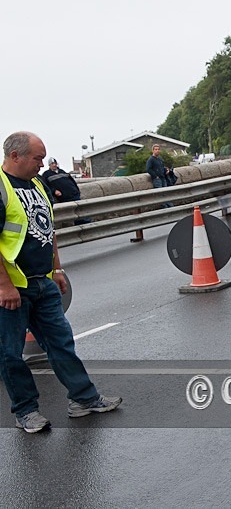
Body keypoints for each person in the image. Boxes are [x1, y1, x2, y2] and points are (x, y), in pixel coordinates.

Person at [0, 131, 121, 433]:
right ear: (15, 156)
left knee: (62, 343)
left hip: (43, 283)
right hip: (14, 287)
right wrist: (4, 286)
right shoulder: (1, 188)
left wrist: (57, 269)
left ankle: (83, 399)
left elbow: (48, 229)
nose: (42, 164)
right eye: (37, 158)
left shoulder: (38, 184)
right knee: (12, 354)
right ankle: (26, 411)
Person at [42, 158, 91, 225]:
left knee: (80, 209)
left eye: (55, 163)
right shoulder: (46, 174)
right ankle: (79, 223)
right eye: (52, 164)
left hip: (73, 193)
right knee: (73, 211)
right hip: (64, 196)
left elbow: (72, 181)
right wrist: (54, 191)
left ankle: (85, 222)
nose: (54, 165)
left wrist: (76, 190)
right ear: (49, 165)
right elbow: (45, 185)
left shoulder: (62, 171)